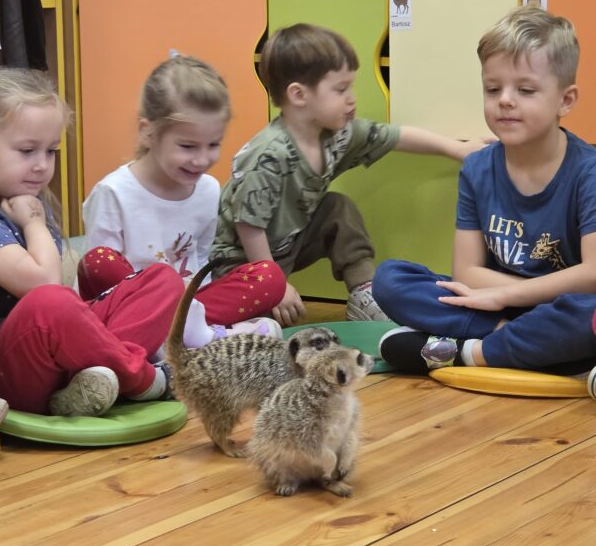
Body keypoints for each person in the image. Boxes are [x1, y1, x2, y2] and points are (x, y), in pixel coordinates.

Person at [373, 6, 596, 389]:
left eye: (525, 90)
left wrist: (507, 293)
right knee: (391, 279)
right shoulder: (477, 167)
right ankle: (529, 346)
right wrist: (502, 301)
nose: (505, 100)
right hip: (495, 307)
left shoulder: (588, 170)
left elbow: (591, 275)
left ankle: (468, 352)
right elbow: (466, 272)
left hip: (563, 305)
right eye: (493, 89)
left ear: (566, 100)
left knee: (588, 312)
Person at [210, 23, 490, 327]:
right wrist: (274, 285)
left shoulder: (337, 135)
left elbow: (395, 136)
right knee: (266, 327)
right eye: (340, 89)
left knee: (337, 208)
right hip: (241, 266)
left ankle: (363, 293)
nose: (351, 98)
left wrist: (458, 149)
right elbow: (248, 225)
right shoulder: (269, 155)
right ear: (299, 95)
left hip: (287, 246)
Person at [0, 67, 187, 417]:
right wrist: (33, 223)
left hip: (61, 358)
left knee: (162, 279)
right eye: (27, 150)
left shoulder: (27, 202)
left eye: (51, 151)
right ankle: (142, 379)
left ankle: (96, 380)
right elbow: (44, 283)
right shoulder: (24, 213)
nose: (42, 165)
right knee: (52, 302)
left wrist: (33, 218)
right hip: (11, 372)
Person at [82, 54, 286, 348]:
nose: (202, 159)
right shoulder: (113, 192)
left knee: (270, 276)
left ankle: (179, 336)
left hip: (189, 304)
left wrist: (188, 304)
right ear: (148, 133)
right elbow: (100, 281)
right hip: (126, 307)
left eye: (213, 144)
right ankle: (198, 337)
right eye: (188, 146)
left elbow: (200, 263)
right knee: (99, 261)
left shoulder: (208, 190)